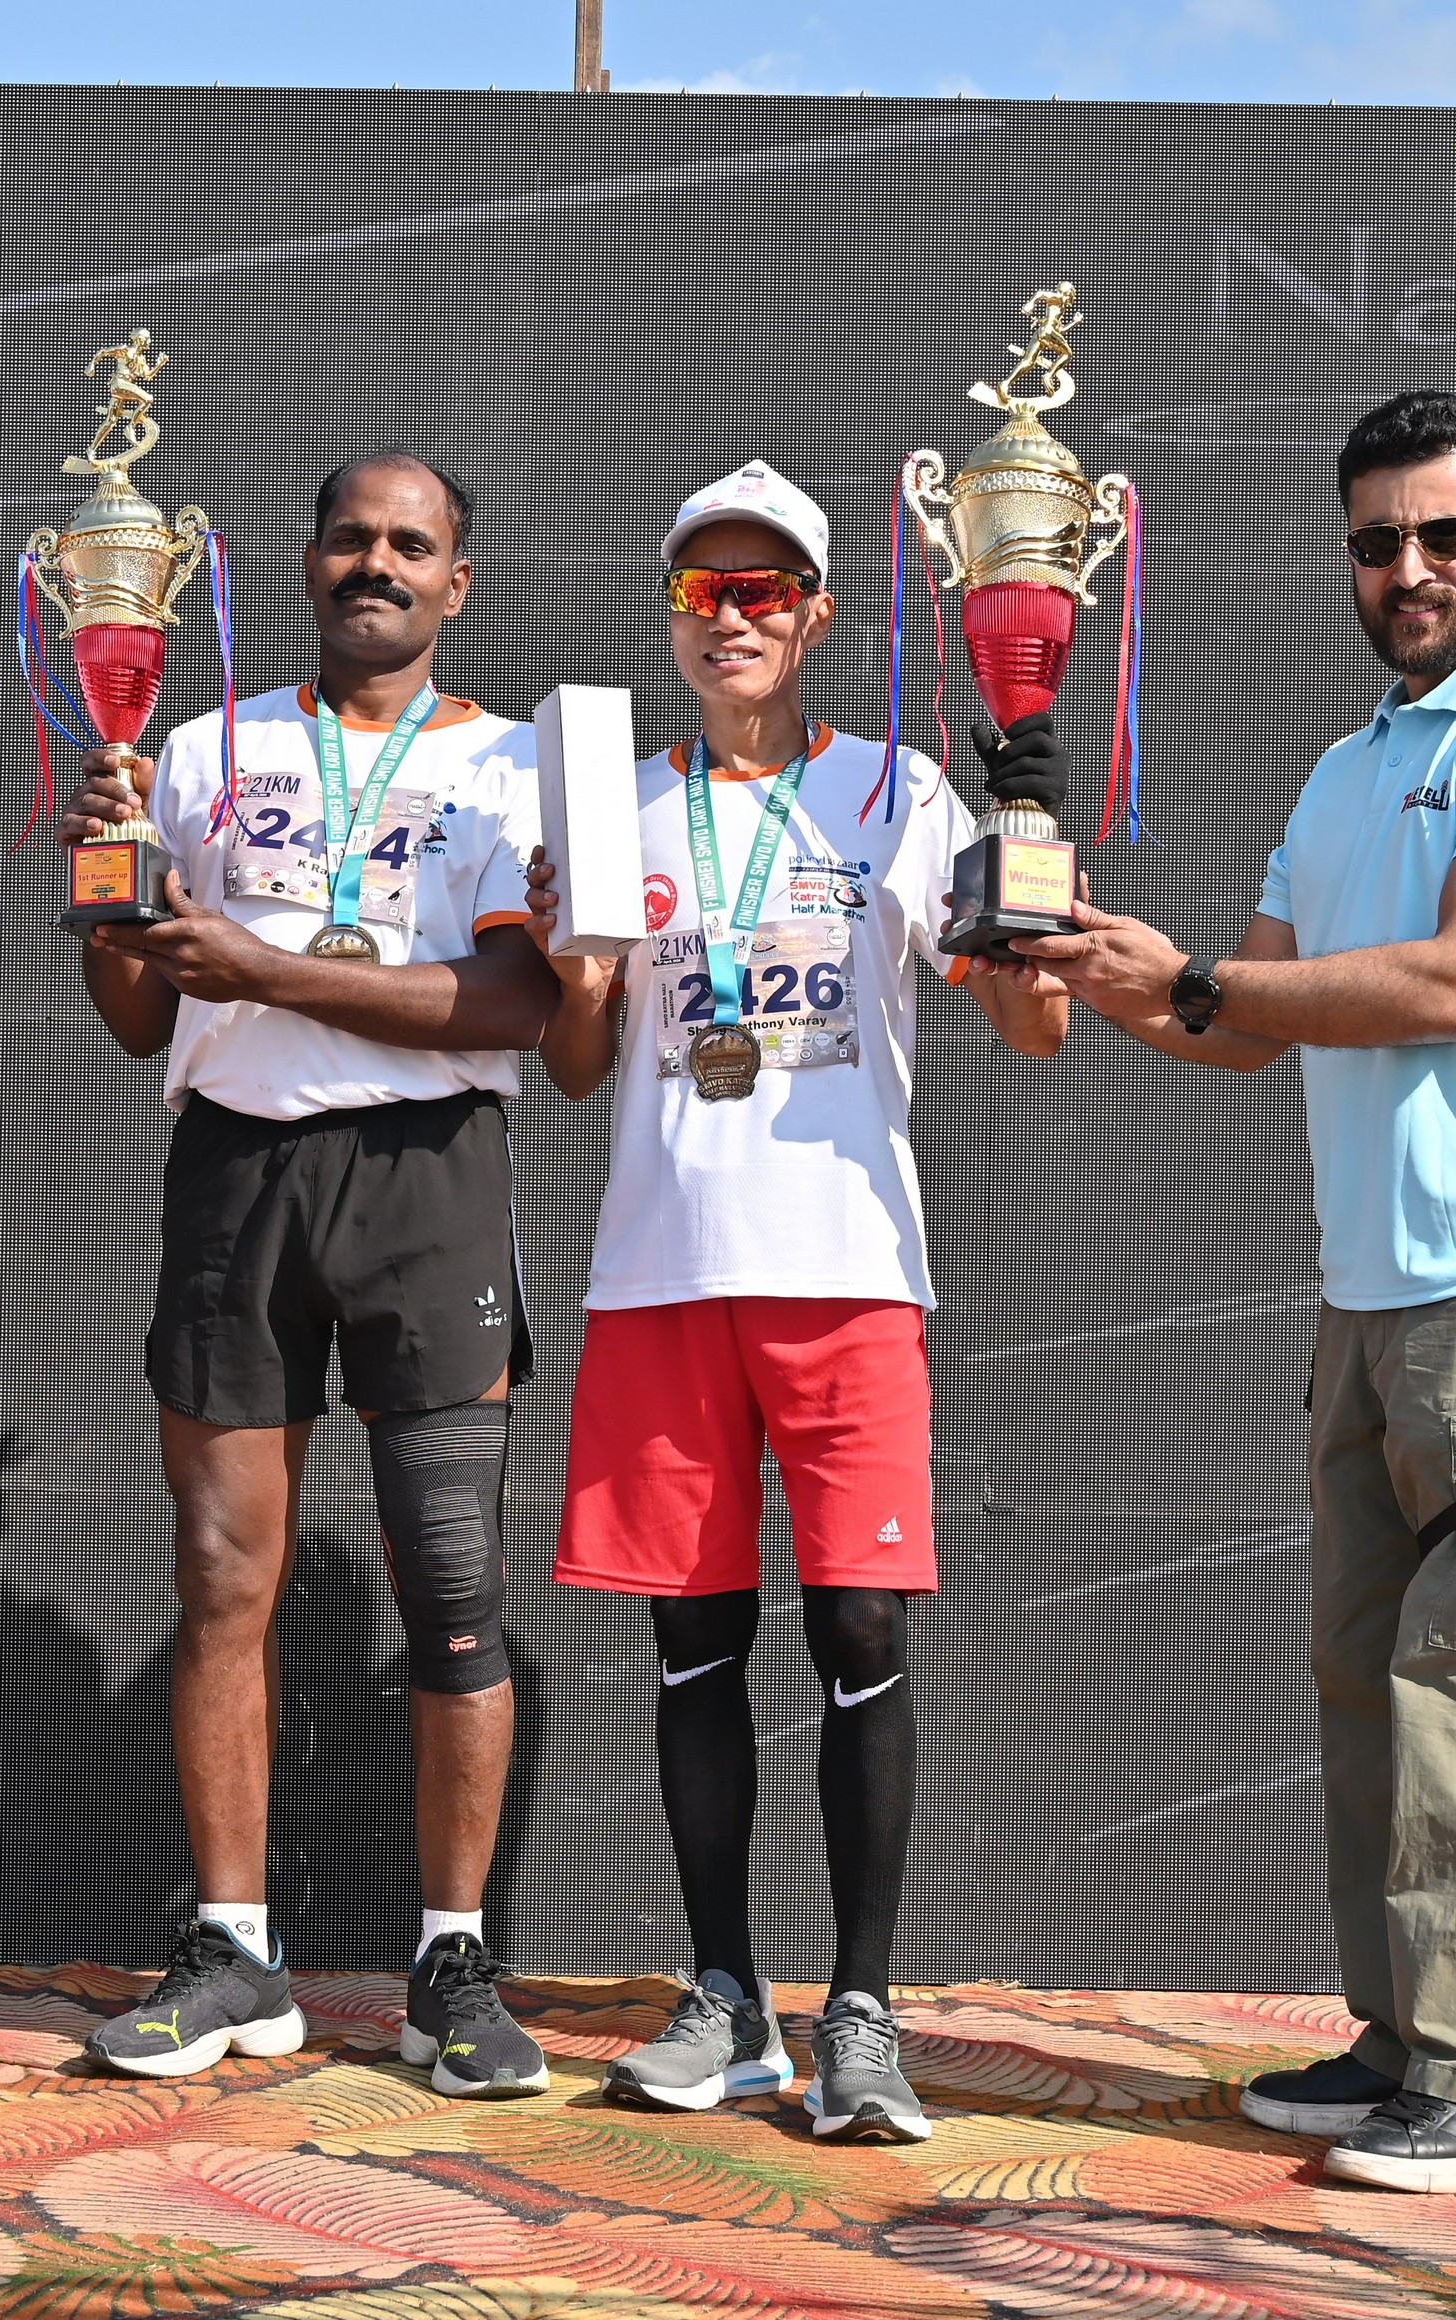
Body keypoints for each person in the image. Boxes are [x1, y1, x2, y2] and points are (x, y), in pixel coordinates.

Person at [1015, 390, 1456, 2192]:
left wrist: (1199, 984)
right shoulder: (1344, 767)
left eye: (1446, 535)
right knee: (1370, 1681)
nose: (1411, 569)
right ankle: (1405, 2040)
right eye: (1378, 542)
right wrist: (1100, 969)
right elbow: (1243, 1026)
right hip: (1369, 1302)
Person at [522, 461, 1067, 2143]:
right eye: (705, 591)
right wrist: (576, 973)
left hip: (844, 1271)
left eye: (765, 591)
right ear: (672, 612)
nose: (734, 618)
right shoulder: (617, 803)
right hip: (667, 1268)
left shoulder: (899, 792)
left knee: (860, 1630)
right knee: (691, 1641)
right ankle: (726, 1997)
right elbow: (576, 1063)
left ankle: (865, 2013)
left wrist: (1029, 872)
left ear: (818, 614)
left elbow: (1036, 1026)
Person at [59, 450, 560, 2098]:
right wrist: (108, 902)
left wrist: (266, 968)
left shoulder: (513, 764)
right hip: (240, 1171)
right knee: (222, 1573)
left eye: (413, 544)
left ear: (456, 581)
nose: (377, 564)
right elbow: (141, 1016)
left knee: (452, 1585)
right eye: (351, 536)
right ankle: (234, 1949)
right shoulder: (203, 749)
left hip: (430, 1179)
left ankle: (449, 1963)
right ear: (307, 558)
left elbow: (513, 1008)